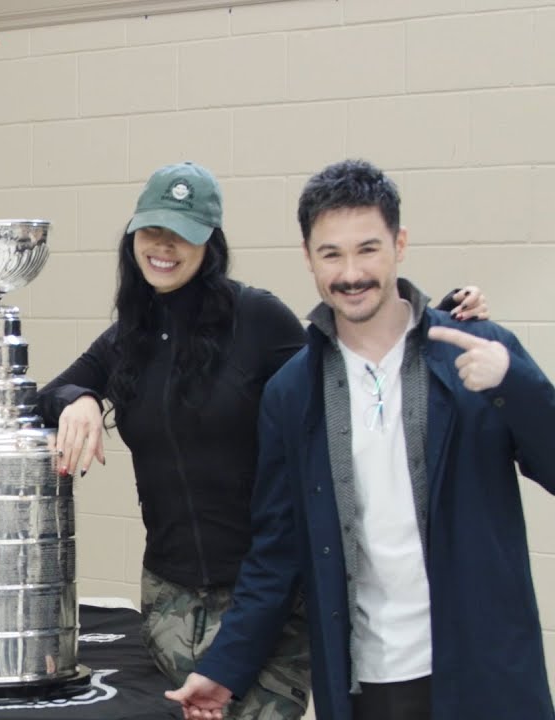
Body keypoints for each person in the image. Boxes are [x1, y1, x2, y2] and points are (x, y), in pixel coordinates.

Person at [38, 162, 488, 720]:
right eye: (153, 231)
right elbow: (47, 395)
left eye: (183, 234)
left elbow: (344, 368)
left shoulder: (255, 317)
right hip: (169, 601)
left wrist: (435, 321)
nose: (165, 247)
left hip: (267, 593)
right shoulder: (128, 335)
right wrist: (79, 398)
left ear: (211, 242)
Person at [165, 159, 555, 720]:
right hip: (367, 679)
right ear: (307, 258)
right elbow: (276, 552)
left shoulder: (474, 350)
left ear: (400, 243)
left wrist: (513, 385)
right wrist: (224, 668)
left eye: (367, 249)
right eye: (331, 254)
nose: (351, 273)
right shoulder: (292, 392)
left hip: (482, 667)